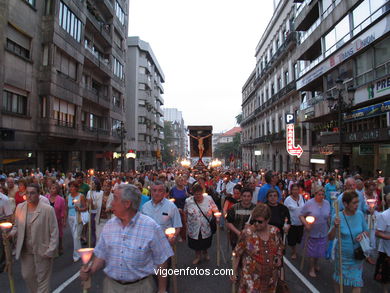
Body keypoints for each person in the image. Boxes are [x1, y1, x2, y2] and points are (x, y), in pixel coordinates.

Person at [80, 184, 173, 293]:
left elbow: (162, 260)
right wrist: (90, 270)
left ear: (127, 204)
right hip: (111, 287)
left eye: (115, 199)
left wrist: (162, 290)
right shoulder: (109, 226)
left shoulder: (151, 227)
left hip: (140, 288)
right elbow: (101, 254)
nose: (111, 203)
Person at [8, 183, 59, 293]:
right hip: (26, 251)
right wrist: (11, 234)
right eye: (27, 193)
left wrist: (51, 250)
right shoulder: (20, 208)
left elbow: (54, 232)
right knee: (27, 276)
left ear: (38, 194)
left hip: (43, 250)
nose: (29, 196)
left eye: (32, 193)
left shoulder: (48, 210)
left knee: (42, 280)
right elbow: (17, 226)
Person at [231, 203, 283, 292]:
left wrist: (278, 258)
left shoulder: (275, 232)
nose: (256, 224)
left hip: (270, 279)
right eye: (254, 221)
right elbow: (237, 254)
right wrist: (234, 271)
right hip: (251, 280)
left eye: (260, 221)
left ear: (268, 220)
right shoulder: (247, 234)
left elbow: (279, 248)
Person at [142, 180, 182, 293]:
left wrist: (174, 236)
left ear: (164, 192)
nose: (157, 193)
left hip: (164, 245)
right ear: (151, 192)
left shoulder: (171, 207)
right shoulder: (145, 207)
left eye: (160, 191)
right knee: (150, 273)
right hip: (147, 246)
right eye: (154, 190)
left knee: (163, 274)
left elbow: (177, 226)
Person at [328, 190, 369, 292]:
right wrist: (335, 227)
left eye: (357, 202)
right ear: (346, 204)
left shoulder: (359, 214)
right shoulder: (337, 217)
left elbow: (367, 231)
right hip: (342, 257)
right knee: (339, 279)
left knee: (357, 282)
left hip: (357, 256)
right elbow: (330, 237)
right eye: (354, 203)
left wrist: (362, 235)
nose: (357, 205)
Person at [299, 186, 330, 277]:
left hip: (323, 231)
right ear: (315, 194)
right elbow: (301, 215)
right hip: (312, 231)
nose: (321, 196)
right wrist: (306, 224)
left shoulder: (327, 203)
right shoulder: (309, 203)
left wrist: (331, 225)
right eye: (319, 194)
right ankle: (311, 267)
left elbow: (328, 216)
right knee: (312, 251)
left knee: (320, 250)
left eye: (322, 194)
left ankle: (316, 263)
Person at [184, 183, 218, 264]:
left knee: (205, 241)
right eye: (196, 194)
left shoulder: (208, 199)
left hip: (206, 226)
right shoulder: (188, 201)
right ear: (193, 193)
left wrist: (217, 216)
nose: (198, 196)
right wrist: (185, 223)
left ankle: (205, 252)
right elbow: (185, 212)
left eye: (200, 194)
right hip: (194, 226)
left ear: (202, 193)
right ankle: (197, 256)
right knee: (196, 242)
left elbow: (215, 209)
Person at [66, 181, 87, 262]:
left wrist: (80, 209)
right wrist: (64, 220)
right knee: (75, 237)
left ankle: (76, 255)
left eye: (72, 187)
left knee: (76, 236)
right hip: (70, 218)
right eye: (70, 187)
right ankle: (79, 251)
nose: (71, 188)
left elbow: (85, 207)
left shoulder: (81, 196)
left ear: (76, 188)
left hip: (78, 217)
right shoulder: (68, 197)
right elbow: (66, 209)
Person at [284, 184, 305, 259]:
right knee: (292, 240)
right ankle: (294, 251)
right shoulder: (288, 200)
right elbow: (285, 211)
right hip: (292, 223)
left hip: (301, 222)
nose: (295, 191)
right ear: (291, 190)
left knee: (299, 238)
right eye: (294, 190)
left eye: (297, 189)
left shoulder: (302, 197)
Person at [374, 193, 390, 293]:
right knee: (386, 275)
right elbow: (377, 233)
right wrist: (388, 237)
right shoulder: (384, 215)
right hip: (387, 250)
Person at [46, 183, 66, 255]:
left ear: (57, 190)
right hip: (47, 219)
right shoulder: (46, 197)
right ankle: (51, 248)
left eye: (54, 188)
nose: (52, 190)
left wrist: (63, 220)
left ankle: (60, 247)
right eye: (51, 188)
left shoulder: (61, 199)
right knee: (49, 234)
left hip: (57, 219)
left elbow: (63, 210)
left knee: (59, 234)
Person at [169, 175, 188, 241]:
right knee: (178, 222)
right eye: (179, 180)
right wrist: (176, 208)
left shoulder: (186, 188)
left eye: (182, 180)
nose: (180, 181)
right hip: (176, 208)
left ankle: (184, 236)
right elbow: (171, 200)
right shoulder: (173, 189)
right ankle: (178, 235)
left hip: (185, 208)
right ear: (176, 182)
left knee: (185, 223)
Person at [86, 179, 103, 247]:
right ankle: (93, 241)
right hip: (91, 212)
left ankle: (99, 242)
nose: (91, 185)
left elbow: (99, 204)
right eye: (91, 183)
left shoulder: (101, 193)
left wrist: (93, 204)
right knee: (92, 228)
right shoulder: (89, 192)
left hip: (98, 212)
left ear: (96, 185)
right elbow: (88, 204)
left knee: (98, 228)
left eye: (92, 183)